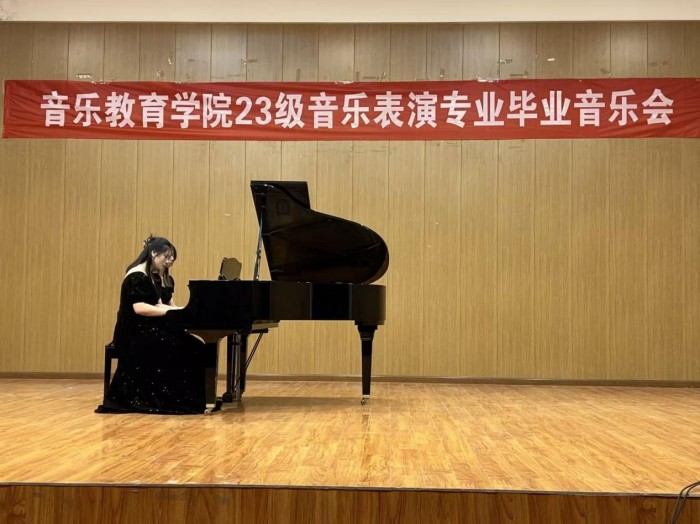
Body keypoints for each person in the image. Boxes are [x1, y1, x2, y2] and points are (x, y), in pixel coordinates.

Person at [96, 236, 206, 415]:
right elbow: (140, 308)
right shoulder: (136, 276)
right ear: (154, 253)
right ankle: (170, 399)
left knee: (196, 346)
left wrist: (182, 311)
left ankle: (188, 398)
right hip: (135, 331)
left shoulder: (153, 275)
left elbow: (159, 304)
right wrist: (174, 312)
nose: (169, 262)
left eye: (171, 259)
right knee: (184, 347)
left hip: (150, 327)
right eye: (166, 257)